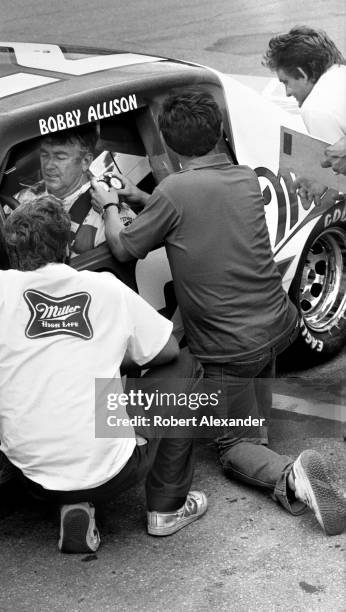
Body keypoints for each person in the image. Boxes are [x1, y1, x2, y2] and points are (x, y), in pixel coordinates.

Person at [90, 89, 346, 536]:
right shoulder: (243, 177)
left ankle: (292, 476)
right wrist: (142, 197)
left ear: (169, 146)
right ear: (220, 133)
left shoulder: (173, 191)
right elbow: (193, 212)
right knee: (251, 417)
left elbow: (124, 245)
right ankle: (261, 444)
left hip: (229, 346)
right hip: (275, 326)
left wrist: (111, 204)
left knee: (232, 445)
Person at [0, 197, 207, 553]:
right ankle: (167, 509)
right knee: (185, 366)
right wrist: (108, 356)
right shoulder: (105, 287)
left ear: (14, 249)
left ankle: (76, 505)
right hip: (114, 472)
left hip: (31, 479)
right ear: (65, 245)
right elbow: (165, 349)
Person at [13, 126, 135, 255]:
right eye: (44, 155)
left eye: (60, 158)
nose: (48, 166)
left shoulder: (110, 209)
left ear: (85, 162)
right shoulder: (22, 199)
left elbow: (131, 256)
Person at [262, 26, 346, 143]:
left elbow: (333, 160)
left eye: (286, 82)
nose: (288, 93)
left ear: (303, 74)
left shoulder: (316, 109)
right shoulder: (341, 71)